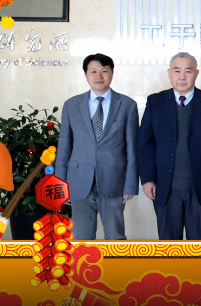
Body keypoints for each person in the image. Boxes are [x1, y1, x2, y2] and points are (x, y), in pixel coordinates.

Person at [138, 52, 201, 240]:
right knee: (168, 245)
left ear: (196, 73)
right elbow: (145, 143)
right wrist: (147, 179)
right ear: (169, 73)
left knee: (198, 244)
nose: (182, 76)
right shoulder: (155, 102)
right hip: (164, 187)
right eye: (177, 71)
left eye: (188, 71)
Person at [56, 54, 139, 240]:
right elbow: (64, 148)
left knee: (115, 236)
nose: (99, 75)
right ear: (86, 74)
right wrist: (61, 185)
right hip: (78, 180)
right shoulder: (71, 105)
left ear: (112, 73)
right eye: (93, 71)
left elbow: (132, 149)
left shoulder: (127, 105)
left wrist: (130, 185)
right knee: (81, 237)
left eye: (104, 71)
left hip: (114, 181)